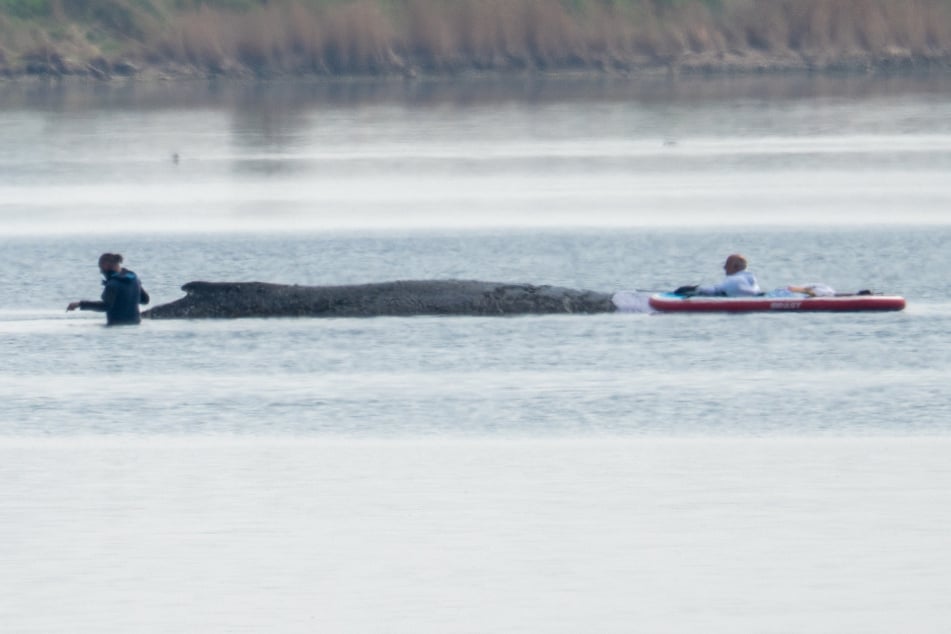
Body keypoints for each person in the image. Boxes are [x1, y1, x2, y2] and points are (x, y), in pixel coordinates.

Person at [67, 253, 150, 325]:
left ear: (105, 266)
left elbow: (105, 306)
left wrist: (80, 304)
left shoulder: (112, 284)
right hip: (135, 324)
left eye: (101, 268)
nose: (101, 272)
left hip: (116, 326)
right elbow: (145, 300)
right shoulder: (134, 278)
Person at [676, 253, 761, 297]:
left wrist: (694, 289)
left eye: (727, 264)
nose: (724, 268)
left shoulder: (733, 280)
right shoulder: (752, 279)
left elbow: (713, 290)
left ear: (735, 267)